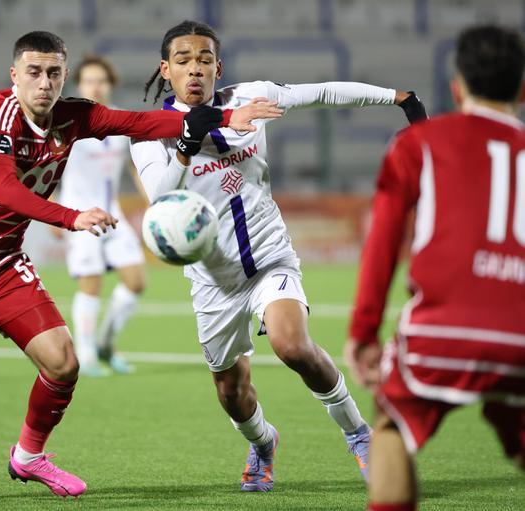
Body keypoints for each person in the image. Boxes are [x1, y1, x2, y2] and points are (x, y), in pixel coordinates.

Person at [0, 30, 274, 501]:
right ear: (14, 76)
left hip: (1, 264)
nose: (44, 82)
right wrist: (71, 217)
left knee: (62, 363)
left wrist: (225, 116)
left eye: (54, 72)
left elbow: (139, 122)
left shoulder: (74, 116)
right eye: (34, 72)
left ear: (64, 75)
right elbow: (5, 191)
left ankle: (28, 456)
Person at [130, 20, 427, 492]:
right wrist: (186, 144)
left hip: (270, 258)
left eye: (205, 59)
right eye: (183, 61)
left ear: (218, 67)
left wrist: (397, 96)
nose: (195, 69)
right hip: (214, 281)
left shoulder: (252, 98)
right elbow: (161, 201)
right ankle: (264, 443)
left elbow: (324, 93)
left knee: (292, 344)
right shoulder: (149, 134)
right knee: (231, 391)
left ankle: (359, 435)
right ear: (165, 70)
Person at [344, 24, 525, 511]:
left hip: (441, 333)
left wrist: (363, 332)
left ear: (457, 87)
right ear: (522, 88)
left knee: (390, 431)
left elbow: (382, 245)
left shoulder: (418, 144)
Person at [56, 55, 147, 377]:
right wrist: (54, 213)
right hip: (79, 215)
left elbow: (135, 167)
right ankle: (86, 354)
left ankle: (107, 344)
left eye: (102, 80)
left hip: (113, 214)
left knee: (136, 281)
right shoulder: (65, 122)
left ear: (111, 85)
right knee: (91, 284)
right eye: (89, 80)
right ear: (78, 85)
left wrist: (154, 202)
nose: (96, 85)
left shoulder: (121, 121)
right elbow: (48, 166)